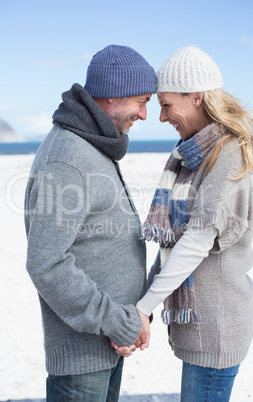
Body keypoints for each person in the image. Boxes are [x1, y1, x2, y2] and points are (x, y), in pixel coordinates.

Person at [116, 46, 253, 401]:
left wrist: (144, 307)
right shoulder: (192, 155)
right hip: (204, 326)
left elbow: (195, 243)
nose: (162, 117)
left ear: (196, 97)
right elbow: (173, 245)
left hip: (218, 329)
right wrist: (146, 303)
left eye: (168, 105)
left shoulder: (228, 154)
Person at [24, 44, 156, 402]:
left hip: (108, 343)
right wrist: (117, 321)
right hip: (84, 356)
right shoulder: (69, 158)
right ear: (113, 97)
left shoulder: (92, 145)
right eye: (142, 101)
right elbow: (45, 262)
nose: (145, 114)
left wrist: (128, 319)